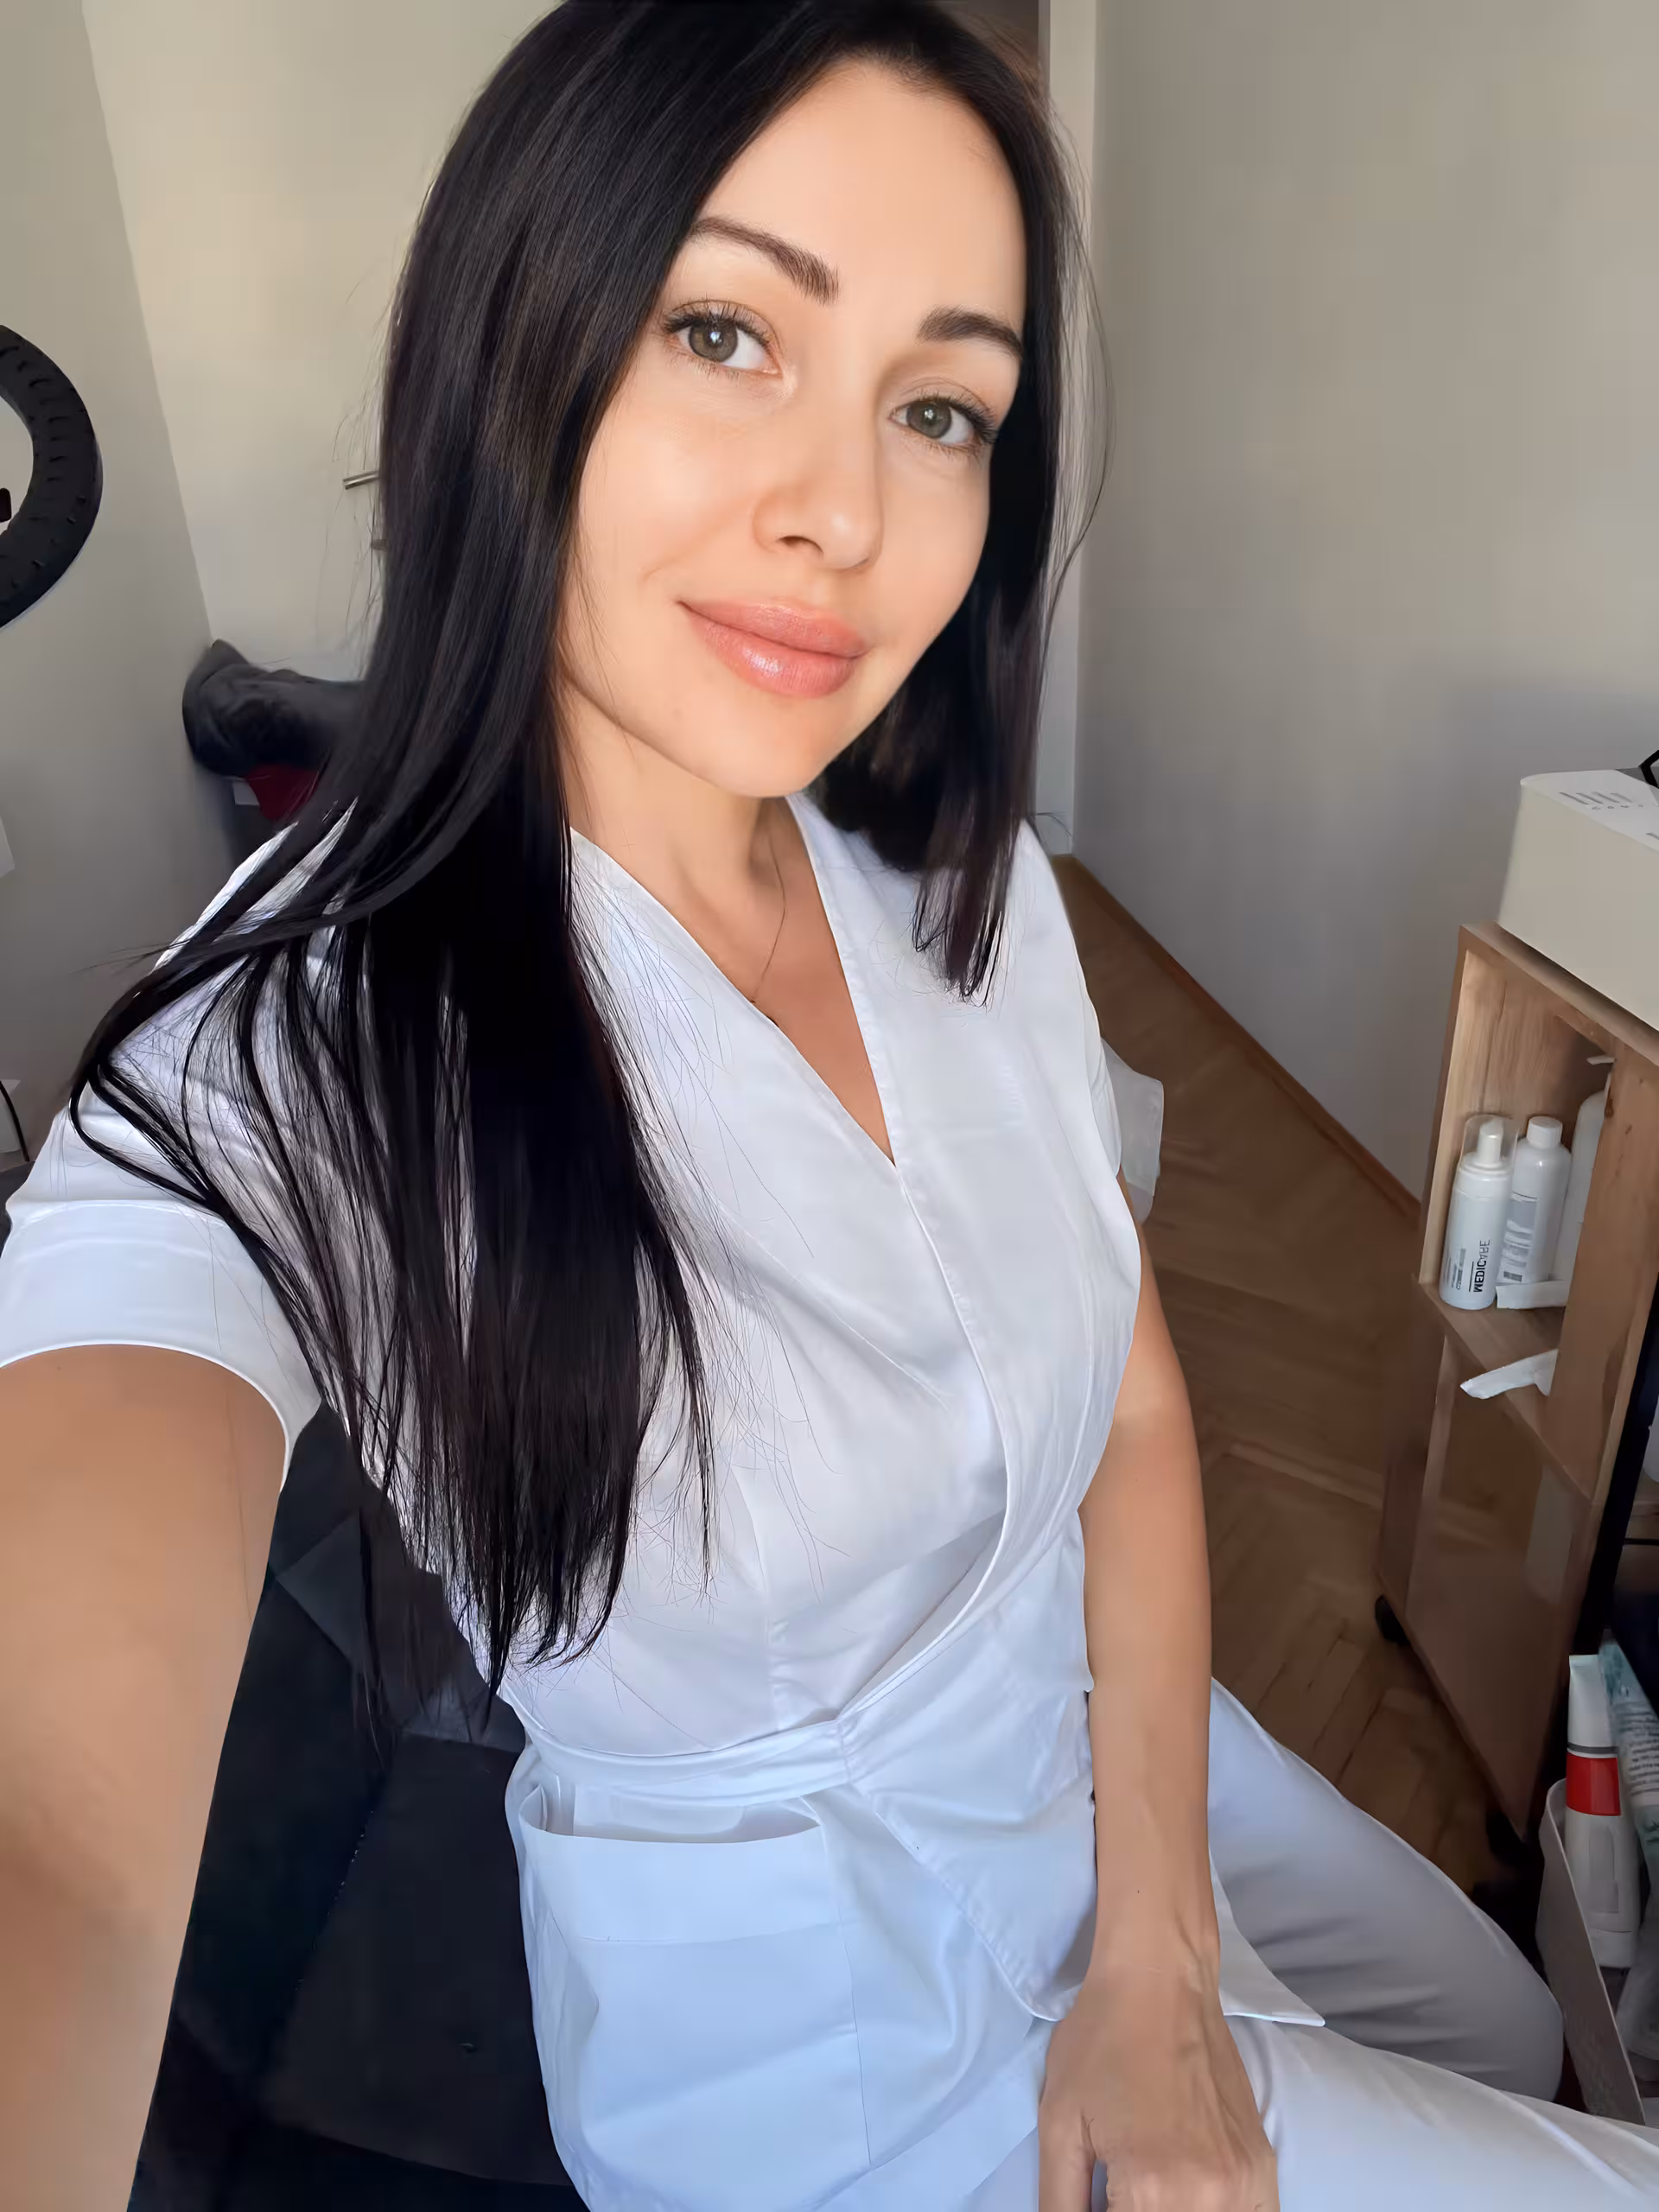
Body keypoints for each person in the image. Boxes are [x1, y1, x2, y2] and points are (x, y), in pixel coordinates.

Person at [2, 5, 1657, 2208]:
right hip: (836, 2032)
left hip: (1089, 1716)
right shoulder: (290, 1051)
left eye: (940, 404)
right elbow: (51, 1828)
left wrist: (1160, 1939)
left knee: (1512, 2015)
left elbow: (1134, 1405)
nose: (847, 515)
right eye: (725, 332)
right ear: (510, 342)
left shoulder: (953, 881)